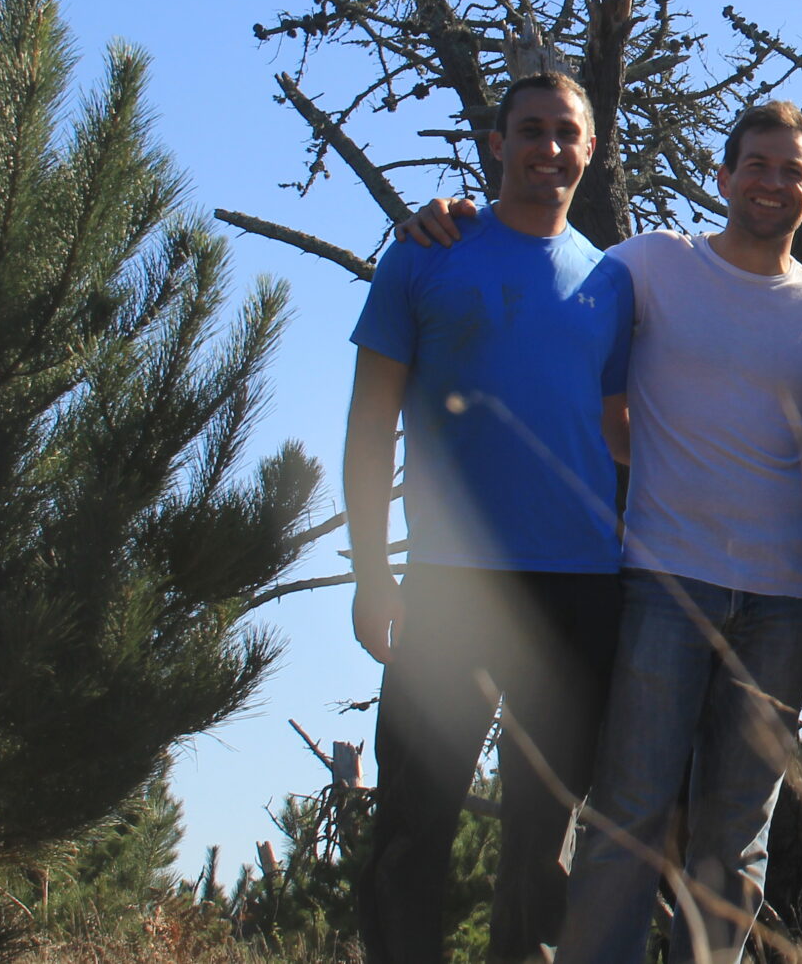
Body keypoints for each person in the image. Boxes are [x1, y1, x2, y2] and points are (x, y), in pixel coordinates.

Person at [346, 74, 636, 964]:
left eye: (567, 134)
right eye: (532, 130)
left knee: (542, 832)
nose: (549, 148)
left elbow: (620, 434)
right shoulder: (427, 254)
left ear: (591, 150)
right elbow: (369, 421)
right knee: (411, 822)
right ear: (499, 141)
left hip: (582, 586)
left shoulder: (611, 281)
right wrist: (371, 572)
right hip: (449, 584)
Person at [564, 101, 802, 964]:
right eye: (757, 164)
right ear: (723, 176)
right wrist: (456, 223)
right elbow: (555, 284)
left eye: (792, 171)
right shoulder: (656, 262)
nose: (773, 181)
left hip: (784, 599)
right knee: (629, 807)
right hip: (665, 577)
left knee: (735, 834)